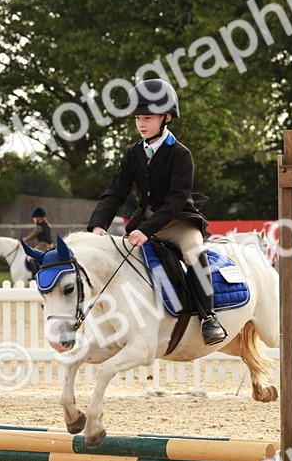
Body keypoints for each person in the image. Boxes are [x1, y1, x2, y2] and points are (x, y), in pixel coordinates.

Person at [85, 78, 225, 344]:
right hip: (145, 221)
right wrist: (97, 225)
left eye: (147, 117)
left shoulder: (181, 154)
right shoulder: (133, 153)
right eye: (138, 118)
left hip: (178, 220)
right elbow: (115, 191)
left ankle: (209, 317)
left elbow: (175, 200)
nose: (141, 123)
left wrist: (145, 230)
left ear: (167, 118)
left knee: (193, 249)